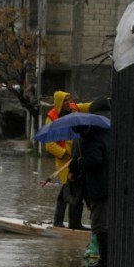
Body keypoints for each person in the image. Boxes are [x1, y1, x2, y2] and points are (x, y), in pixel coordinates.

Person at [44, 90, 91, 230]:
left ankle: (68, 223)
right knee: (70, 189)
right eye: (64, 100)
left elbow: (88, 106)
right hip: (65, 161)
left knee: (72, 189)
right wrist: (65, 154)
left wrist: (105, 101)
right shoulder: (52, 117)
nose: (67, 103)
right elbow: (49, 144)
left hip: (77, 157)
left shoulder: (74, 108)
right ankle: (67, 223)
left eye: (68, 100)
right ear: (58, 103)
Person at [69, 124, 110, 267]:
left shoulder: (93, 140)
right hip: (105, 186)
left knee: (99, 224)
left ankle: (105, 260)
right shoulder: (104, 134)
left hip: (100, 188)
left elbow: (95, 160)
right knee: (102, 221)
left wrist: (80, 162)